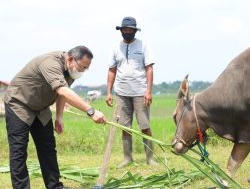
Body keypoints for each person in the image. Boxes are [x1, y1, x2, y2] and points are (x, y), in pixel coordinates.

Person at [4, 46, 107, 189]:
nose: (83, 71)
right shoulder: (50, 63)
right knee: (19, 151)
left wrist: (59, 117)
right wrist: (91, 111)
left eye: (86, 68)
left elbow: (62, 94)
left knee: (48, 148)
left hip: (41, 108)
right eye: (82, 67)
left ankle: (54, 186)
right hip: (19, 103)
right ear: (71, 59)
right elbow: (62, 90)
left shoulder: (71, 71)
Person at [106, 17, 158, 168]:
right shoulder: (116, 47)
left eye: (130, 30)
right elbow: (111, 70)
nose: (127, 32)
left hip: (140, 92)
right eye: (125, 30)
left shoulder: (143, 46)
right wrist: (109, 92)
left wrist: (148, 91)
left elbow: (149, 69)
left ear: (135, 31)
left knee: (145, 125)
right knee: (125, 126)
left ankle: (150, 158)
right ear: (121, 31)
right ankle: (127, 158)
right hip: (121, 93)